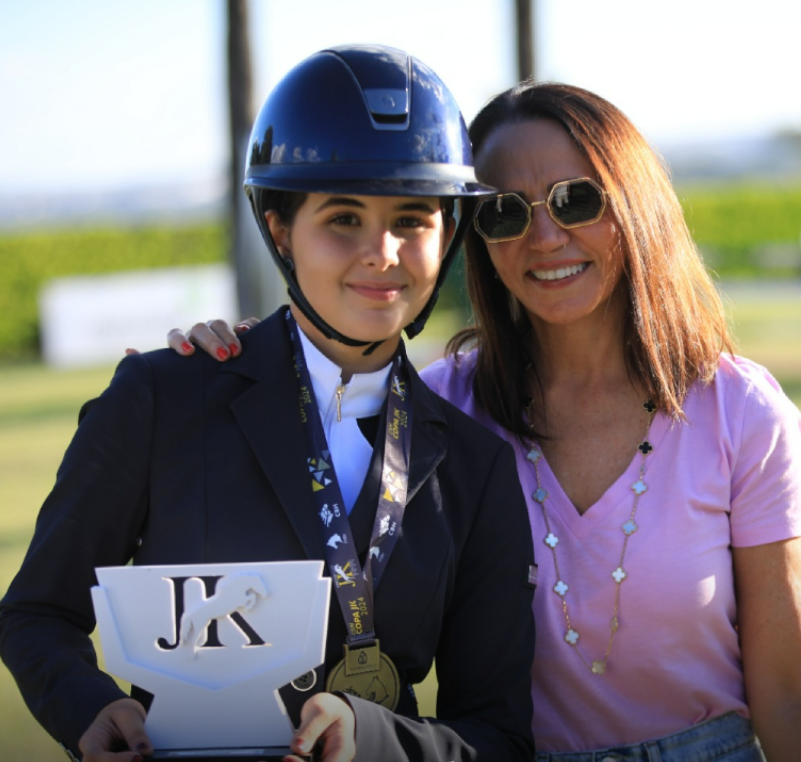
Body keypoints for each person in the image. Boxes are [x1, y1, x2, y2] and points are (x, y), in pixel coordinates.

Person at [176, 81, 801, 761]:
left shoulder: (741, 411)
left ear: (636, 206)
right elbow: (296, 454)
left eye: (577, 200)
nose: (542, 237)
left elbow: (786, 689)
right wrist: (231, 366)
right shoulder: (435, 413)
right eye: (503, 213)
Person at [0, 46, 537, 762]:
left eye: (412, 220)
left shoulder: (476, 467)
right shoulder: (161, 396)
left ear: (449, 237)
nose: (382, 252)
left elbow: (497, 738)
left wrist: (373, 738)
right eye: (343, 218)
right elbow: (36, 613)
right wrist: (88, 709)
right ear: (281, 229)